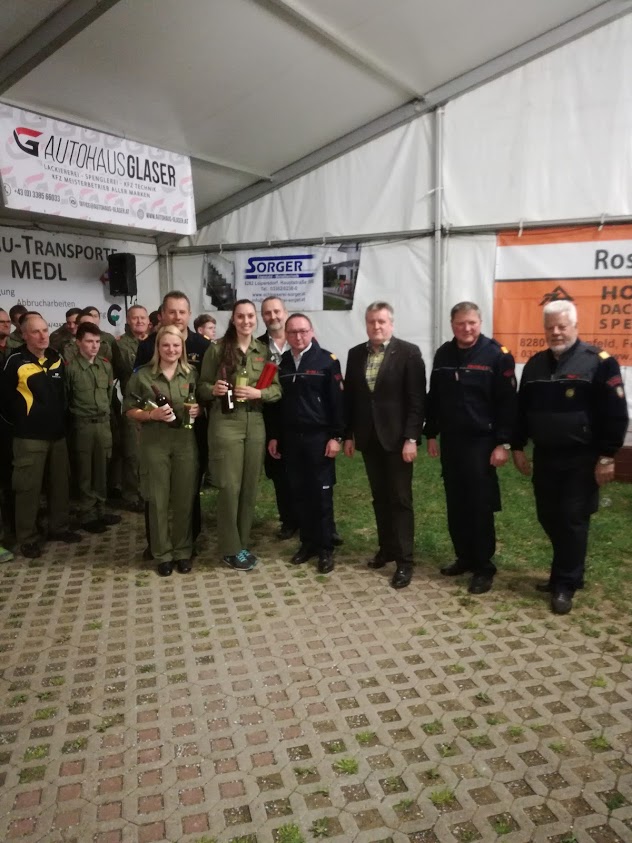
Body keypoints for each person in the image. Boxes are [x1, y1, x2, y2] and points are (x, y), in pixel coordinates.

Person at [512, 300, 628, 615]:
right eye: (550, 327)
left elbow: (616, 413)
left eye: (562, 326)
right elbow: (522, 411)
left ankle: (565, 583)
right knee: (548, 516)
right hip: (546, 456)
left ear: (575, 326)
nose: (556, 332)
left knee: (572, 519)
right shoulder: (535, 364)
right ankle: (568, 571)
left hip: (582, 458)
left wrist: (607, 455)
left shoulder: (600, 362)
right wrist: (518, 446)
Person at [424, 302, 517, 595]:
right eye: (461, 323)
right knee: (456, 503)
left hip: (482, 443)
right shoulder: (443, 353)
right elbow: (435, 396)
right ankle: (464, 557)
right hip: (452, 441)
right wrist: (430, 433)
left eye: (472, 323)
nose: (467, 328)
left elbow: (507, 403)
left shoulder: (497, 355)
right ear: (452, 324)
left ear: (480, 323)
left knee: (479, 505)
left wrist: (503, 442)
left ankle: (483, 566)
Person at [343, 302, 426, 589]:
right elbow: (351, 398)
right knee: (379, 497)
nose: (376, 326)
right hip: (369, 438)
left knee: (400, 499)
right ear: (366, 324)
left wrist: (411, 438)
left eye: (381, 321)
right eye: (371, 321)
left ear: (391, 323)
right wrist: (348, 434)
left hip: (398, 440)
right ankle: (387, 548)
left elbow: (417, 400)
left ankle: (405, 561)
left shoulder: (409, 353)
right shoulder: (355, 354)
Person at [198, 299, 281, 570]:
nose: (246, 321)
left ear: (255, 319)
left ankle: (241, 544)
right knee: (228, 486)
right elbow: (201, 386)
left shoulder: (263, 351)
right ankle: (230, 548)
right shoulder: (217, 349)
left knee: (248, 487)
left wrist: (259, 393)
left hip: (255, 422)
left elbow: (277, 389)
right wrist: (213, 390)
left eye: (250, 316)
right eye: (241, 316)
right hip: (226, 423)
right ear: (233, 319)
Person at [0, 314, 81, 557]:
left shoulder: (56, 358)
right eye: (36, 331)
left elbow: (64, 395)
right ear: (24, 335)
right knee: (28, 490)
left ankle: (59, 527)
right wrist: (22, 424)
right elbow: (4, 402)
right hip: (28, 438)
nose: (42, 335)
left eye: (45, 330)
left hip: (57, 436)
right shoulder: (14, 361)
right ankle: (27, 538)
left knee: (60, 486)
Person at [268, 314, 344, 573]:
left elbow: (338, 402)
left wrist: (337, 436)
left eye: (302, 331)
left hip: (319, 439)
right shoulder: (283, 364)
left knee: (321, 495)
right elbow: (277, 405)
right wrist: (275, 436)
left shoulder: (327, 360)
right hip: (292, 439)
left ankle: (325, 548)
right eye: (292, 332)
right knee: (299, 493)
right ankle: (307, 543)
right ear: (286, 335)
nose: (298, 337)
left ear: (311, 332)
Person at [124, 325, 201, 576]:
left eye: (176, 345)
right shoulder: (142, 375)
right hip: (154, 443)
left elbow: (201, 403)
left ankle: (183, 551)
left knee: (184, 498)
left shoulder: (191, 374)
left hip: (184, 443)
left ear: (182, 348)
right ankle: (162, 554)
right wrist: (151, 415)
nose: (171, 349)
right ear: (158, 347)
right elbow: (129, 409)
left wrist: (198, 410)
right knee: (157, 499)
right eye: (166, 345)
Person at [135, 291, 210, 545]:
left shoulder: (204, 346)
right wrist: (146, 417)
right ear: (162, 314)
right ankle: (156, 543)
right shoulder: (148, 346)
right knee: (155, 492)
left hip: (193, 430)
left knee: (189, 487)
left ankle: (189, 540)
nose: (177, 316)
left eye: (182, 312)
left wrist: (201, 408)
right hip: (157, 432)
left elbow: (206, 387)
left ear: (189, 314)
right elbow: (138, 391)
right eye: (172, 312)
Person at [65, 322, 122, 533]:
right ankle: (87, 514)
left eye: (97, 342)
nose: (94, 346)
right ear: (78, 342)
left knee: (102, 469)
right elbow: (66, 398)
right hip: (83, 426)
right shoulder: (71, 369)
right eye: (89, 341)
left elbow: (109, 395)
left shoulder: (105, 365)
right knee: (85, 471)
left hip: (103, 424)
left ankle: (100, 510)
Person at [257, 296, 298, 539]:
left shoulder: (300, 339)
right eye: (267, 313)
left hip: (300, 416)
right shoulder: (257, 346)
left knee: (305, 472)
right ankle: (288, 520)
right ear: (263, 317)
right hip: (271, 417)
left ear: (285, 312)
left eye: (277, 311)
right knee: (279, 473)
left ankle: (312, 520)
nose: (273, 316)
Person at [112, 305, 150, 512]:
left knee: (148, 452)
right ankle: (132, 495)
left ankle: (147, 492)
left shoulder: (154, 341)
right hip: (132, 401)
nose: (139, 321)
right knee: (133, 453)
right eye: (135, 318)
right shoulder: (120, 345)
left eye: (143, 317)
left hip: (152, 402)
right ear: (128, 320)